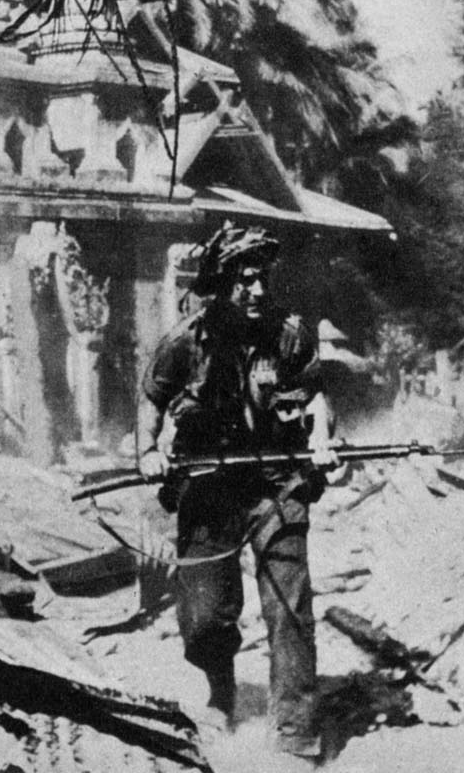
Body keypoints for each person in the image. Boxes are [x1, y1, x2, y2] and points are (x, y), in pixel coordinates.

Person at [136, 223, 337, 763]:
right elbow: (152, 399)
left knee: (289, 608)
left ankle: (295, 732)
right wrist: (148, 451)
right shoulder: (186, 341)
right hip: (208, 486)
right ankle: (220, 693)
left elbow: (315, 397)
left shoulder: (290, 335)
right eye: (245, 280)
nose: (257, 289)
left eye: (262, 278)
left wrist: (321, 441)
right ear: (220, 285)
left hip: (277, 483)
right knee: (205, 614)